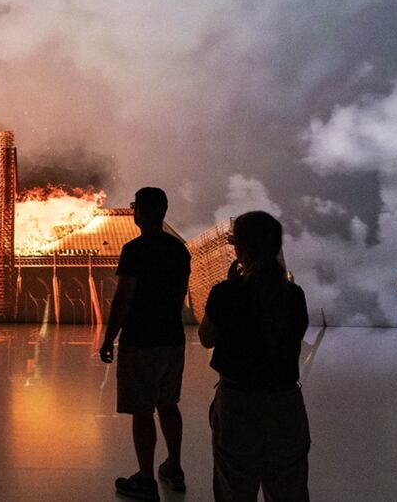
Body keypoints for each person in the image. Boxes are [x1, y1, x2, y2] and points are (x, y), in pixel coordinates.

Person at [199, 211, 310, 502]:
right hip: (286, 403)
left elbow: (206, 337)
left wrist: (229, 287)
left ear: (240, 249)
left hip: (238, 404)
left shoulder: (225, 293)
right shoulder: (294, 295)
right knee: (289, 491)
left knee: (234, 488)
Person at [99, 187, 191, 501]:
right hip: (172, 339)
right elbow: (179, 295)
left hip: (141, 340)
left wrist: (109, 338)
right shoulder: (179, 250)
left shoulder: (135, 250)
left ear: (140, 211)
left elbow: (123, 298)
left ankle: (146, 479)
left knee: (142, 410)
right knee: (168, 404)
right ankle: (175, 468)